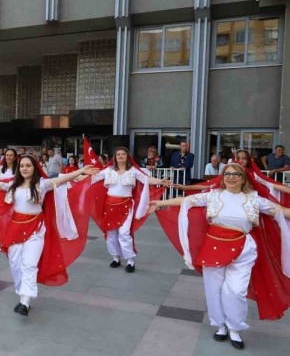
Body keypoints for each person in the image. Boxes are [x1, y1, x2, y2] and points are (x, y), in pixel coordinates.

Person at [150, 163, 290, 350]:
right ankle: (221, 325)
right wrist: (161, 203)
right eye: (227, 174)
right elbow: (187, 201)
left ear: (243, 178)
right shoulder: (213, 195)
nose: (231, 177)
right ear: (223, 178)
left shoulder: (254, 199)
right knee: (214, 288)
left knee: (236, 290)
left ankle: (235, 328)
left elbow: (280, 211)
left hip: (243, 248)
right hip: (215, 245)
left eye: (236, 174)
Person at [0, 156, 96, 316]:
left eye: (28, 166)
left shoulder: (42, 184)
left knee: (29, 265)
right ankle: (22, 293)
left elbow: (62, 179)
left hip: (36, 228)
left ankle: (25, 302)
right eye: (22, 166)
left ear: (34, 168)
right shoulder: (12, 186)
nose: (24, 168)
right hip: (15, 228)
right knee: (15, 262)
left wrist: (81, 170)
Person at [87, 147, 169, 272]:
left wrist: (160, 181)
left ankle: (130, 261)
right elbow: (92, 179)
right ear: (114, 157)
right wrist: (74, 177)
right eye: (118, 154)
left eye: (123, 154)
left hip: (125, 205)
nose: (120, 156)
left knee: (124, 233)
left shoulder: (133, 171)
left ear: (127, 156)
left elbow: (146, 179)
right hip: (109, 206)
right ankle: (116, 258)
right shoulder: (108, 170)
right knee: (111, 234)